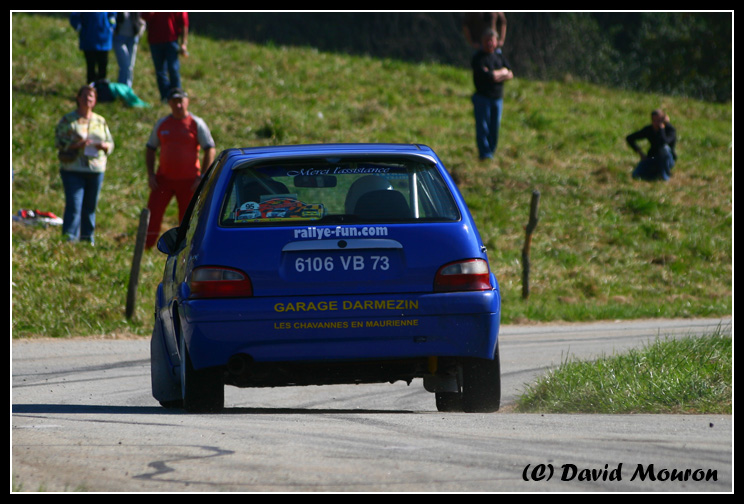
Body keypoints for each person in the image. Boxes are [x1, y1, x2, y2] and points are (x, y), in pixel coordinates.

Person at [145, 88, 215, 248]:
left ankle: (185, 248)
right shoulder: (163, 124)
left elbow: (209, 148)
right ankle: (146, 247)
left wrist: (202, 177)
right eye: (174, 101)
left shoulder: (196, 123)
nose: (178, 105)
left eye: (181, 101)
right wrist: (151, 175)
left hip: (190, 181)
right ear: (169, 103)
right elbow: (150, 147)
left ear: (187, 101)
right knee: (153, 213)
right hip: (163, 180)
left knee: (187, 218)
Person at [55, 85, 114, 244]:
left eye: (91, 96)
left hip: (95, 169)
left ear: (95, 101)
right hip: (73, 168)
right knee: (74, 205)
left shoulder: (100, 120)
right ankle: (69, 239)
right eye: (85, 96)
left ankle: (88, 240)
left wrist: (104, 146)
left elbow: (110, 143)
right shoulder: (68, 120)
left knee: (90, 207)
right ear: (78, 98)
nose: (88, 99)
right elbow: (59, 142)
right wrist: (78, 144)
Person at [471, 29, 513, 160]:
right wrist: (502, 73)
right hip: (482, 98)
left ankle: (491, 152)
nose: (490, 43)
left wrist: (497, 74)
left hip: (497, 99)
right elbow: (489, 75)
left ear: (496, 42)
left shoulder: (499, 57)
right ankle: (484, 154)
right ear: (483, 42)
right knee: (483, 127)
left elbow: (510, 73)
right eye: (487, 40)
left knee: (494, 128)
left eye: (492, 40)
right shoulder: (478, 58)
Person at [141, 12, 189, 103]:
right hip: (154, 41)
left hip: (171, 40)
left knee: (173, 69)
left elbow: (184, 22)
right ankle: (165, 98)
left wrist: (184, 43)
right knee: (160, 71)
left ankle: (177, 97)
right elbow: (144, 16)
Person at [626, 109, 677, 181]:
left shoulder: (670, 130)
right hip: (653, 158)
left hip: (667, 160)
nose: (656, 123)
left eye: (659, 120)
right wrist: (640, 153)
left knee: (664, 148)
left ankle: (665, 177)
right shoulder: (649, 130)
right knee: (636, 174)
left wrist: (661, 129)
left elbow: (663, 142)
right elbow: (630, 138)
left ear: (663, 120)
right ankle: (654, 175)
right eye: (654, 120)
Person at [70, 12, 117, 84]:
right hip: (88, 40)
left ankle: (101, 91)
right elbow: (74, 16)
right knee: (91, 69)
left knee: (103, 69)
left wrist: (111, 27)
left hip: (104, 40)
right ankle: (90, 92)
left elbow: (112, 15)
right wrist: (80, 28)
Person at [113, 12, 146, 88]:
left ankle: (127, 89)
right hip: (119, 39)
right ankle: (122, 88)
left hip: (132, 39)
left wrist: (140, 31)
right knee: (124, 65)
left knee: (130, 66)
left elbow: (141, 20)